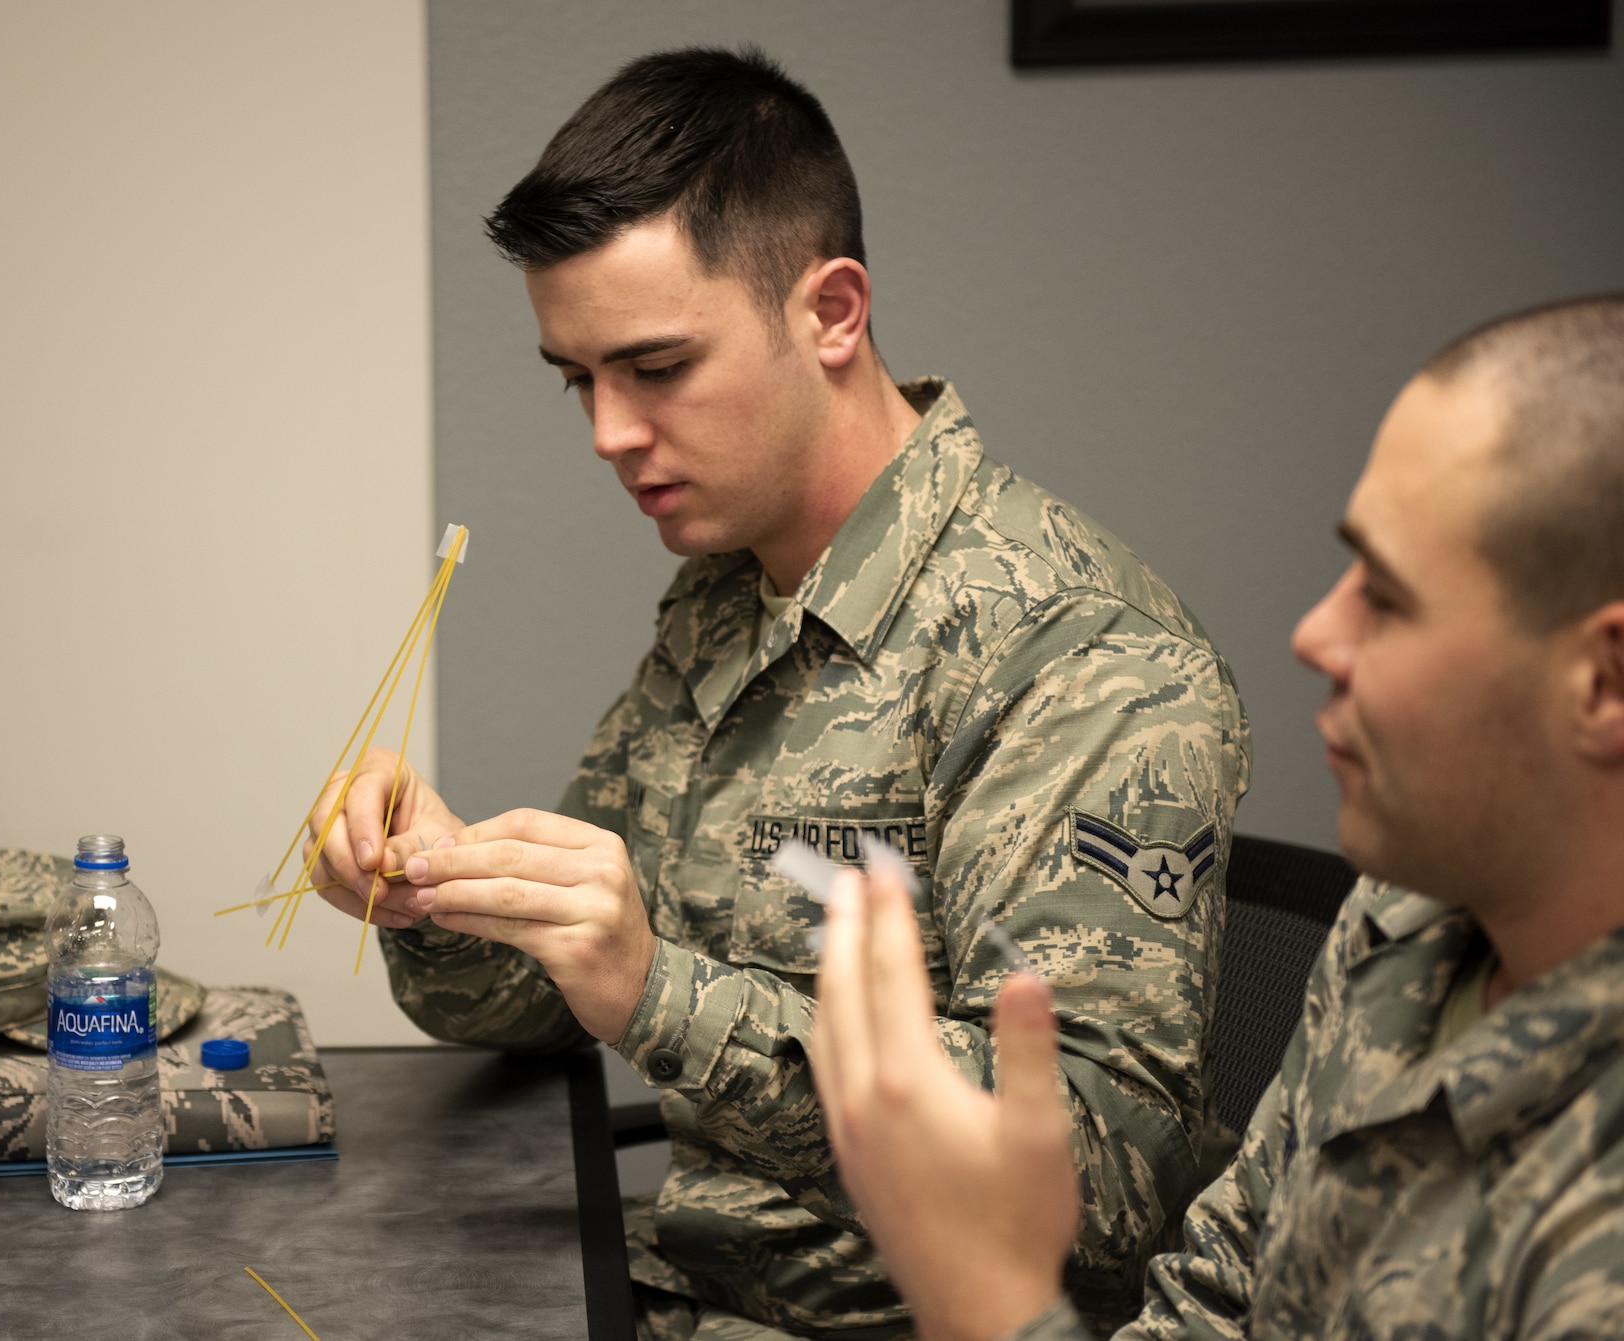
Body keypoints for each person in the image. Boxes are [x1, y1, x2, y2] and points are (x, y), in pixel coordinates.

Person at [307, 47, 1250, 1339]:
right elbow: (536, 1002)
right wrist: (432, 888)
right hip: (668, 1290)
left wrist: (655, 992)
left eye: (654, 366)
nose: (608, 434)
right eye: (578, 379)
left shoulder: (1079, 656)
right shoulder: (730, 594)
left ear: (833, 313)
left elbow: (1090, 1180)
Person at [810, 294, 1624, 1341]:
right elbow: (1218, 1300)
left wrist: (986, 1298)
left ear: (1601, 683)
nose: (1312, 634)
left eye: (1386, 594)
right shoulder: (1405, 921)